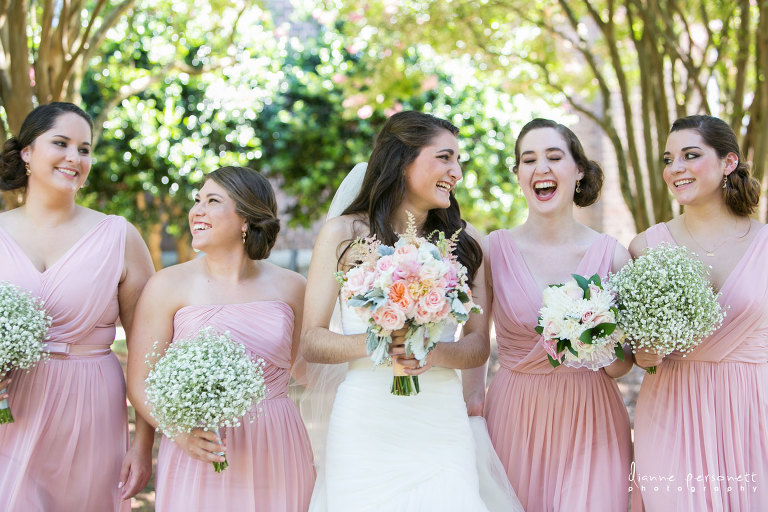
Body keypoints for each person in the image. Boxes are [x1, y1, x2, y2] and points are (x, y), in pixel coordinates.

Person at [301, 111, 522, 511]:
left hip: (439, 420)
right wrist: (380, 345)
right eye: (445, 157)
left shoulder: (465, 243)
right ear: (403, 161)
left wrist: (432, 353)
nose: (456, 172)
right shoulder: (343, 235)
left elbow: (476, 346)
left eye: (459, 162)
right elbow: (312, 341)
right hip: (365, 423)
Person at [467, 118, 634, 510]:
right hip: (514, 415)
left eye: (554, 157)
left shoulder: (613, 255)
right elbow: (473, 341)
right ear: (520, 175)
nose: (541, 167)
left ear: (578, 170)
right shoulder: (492, 251)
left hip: (592, 419)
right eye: (529, 160)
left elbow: (626, 363)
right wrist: (471, 409)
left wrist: (600, 344)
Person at [127, 166, 315, 511]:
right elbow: (140, 383)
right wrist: (181, 435)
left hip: (276, 440)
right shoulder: (167, 285)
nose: (196, 210)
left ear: (246, 218)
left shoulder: (292, 286)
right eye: (197, 200)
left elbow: (307, 367)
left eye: (212, 200)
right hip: (200, 443)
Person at [0, 102, 155, 511]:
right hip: (9, 409)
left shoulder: (118, 237)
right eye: (61, 143)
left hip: (90, 408)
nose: (75, 157)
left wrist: (142, 445)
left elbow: (148, 351)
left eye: (84, 149)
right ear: (27, 153)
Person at [630, 115, 767, 511]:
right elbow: (631, 348)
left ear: (728, 162)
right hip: (672, 412)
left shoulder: (765, 244)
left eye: (690, 155)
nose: (676, 168)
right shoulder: (645, 247)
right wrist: (642, 353)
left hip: (751, 413)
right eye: (668, 159)